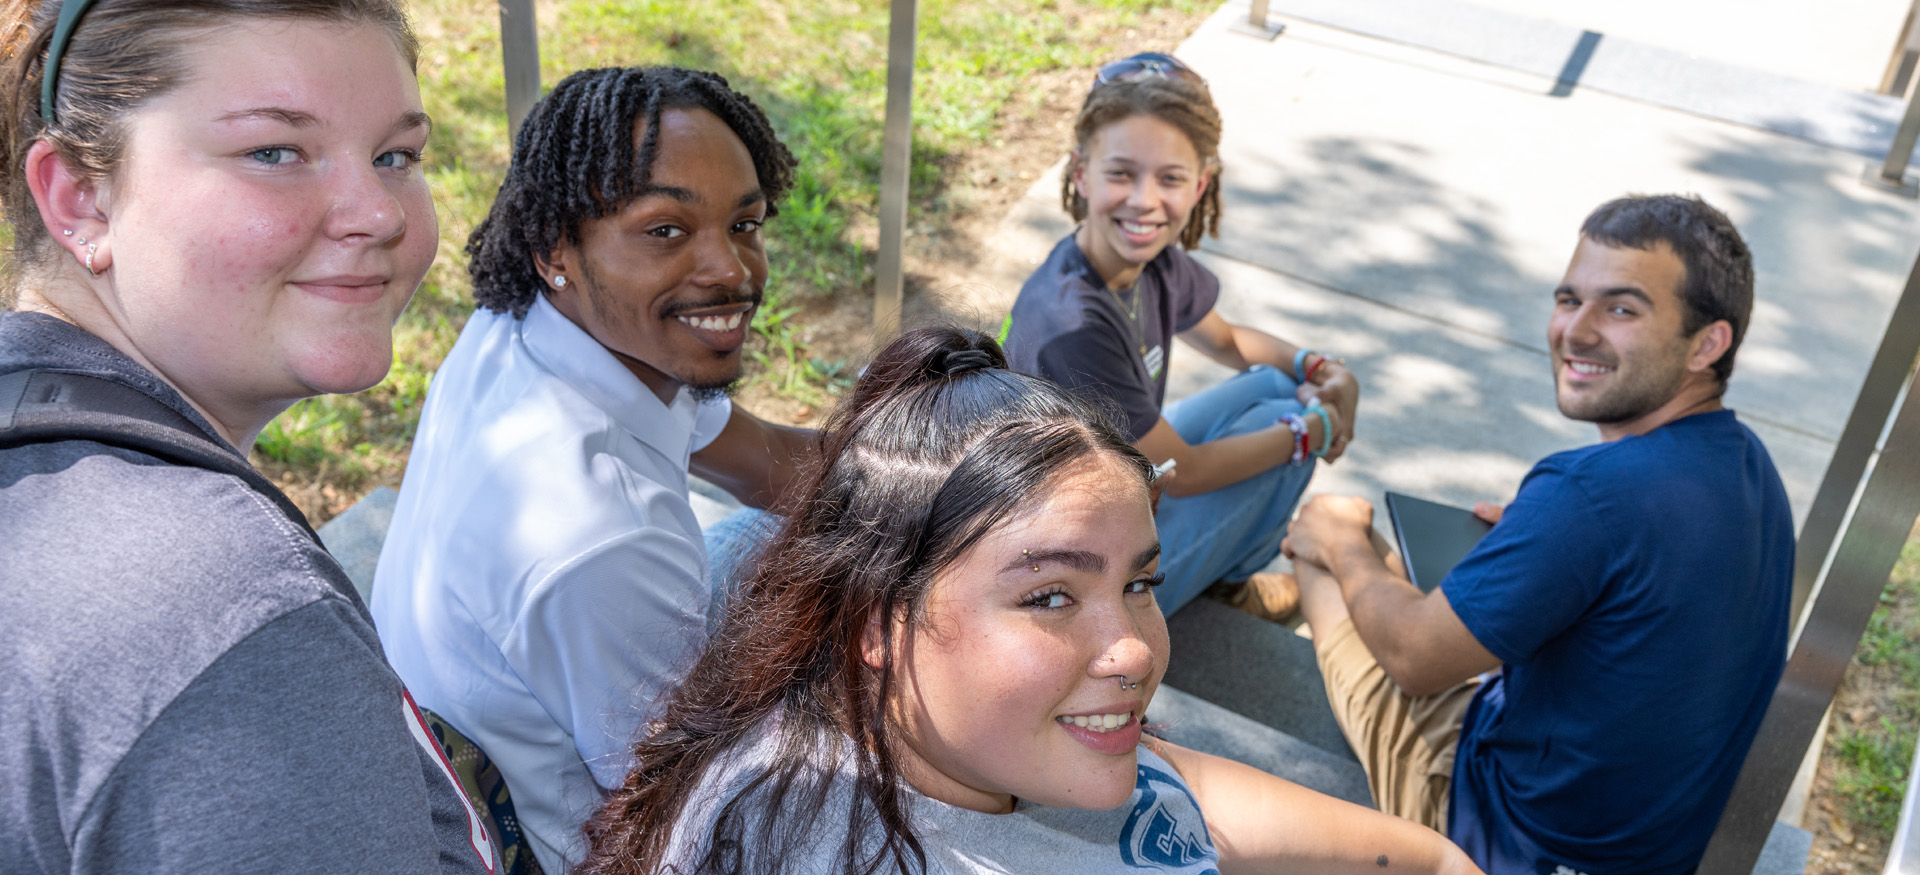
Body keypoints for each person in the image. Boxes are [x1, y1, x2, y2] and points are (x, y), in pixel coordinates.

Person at [575, 327, 1480, 875]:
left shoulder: (1004, 745)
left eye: (1139, 583)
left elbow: (1416, 852)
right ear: (875, 623)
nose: (1132, 650)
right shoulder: (817, 830)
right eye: (1050, 595)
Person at [0, 0, 498, 871]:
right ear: (80, 200)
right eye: (274, 152)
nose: (378, 213)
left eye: (396, 156)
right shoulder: (222, 616)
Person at [370, 65, 816, 874]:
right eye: (666, 231)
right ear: (555, 249)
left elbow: (775, 468)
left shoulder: (546, 328)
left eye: (745, 224)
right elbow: (683, 817)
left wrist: (969, 474)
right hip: (585, 845)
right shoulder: (600, 533)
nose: (731, 271)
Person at [1281, 195, 1791, 875]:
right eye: (1568, 298)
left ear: (1707, 343)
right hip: (1645, 840)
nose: (1575, 331)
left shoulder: (1590, 492)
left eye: (1621, 308)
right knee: (1416, 565)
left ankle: (1292, 575)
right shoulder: (1749, 463)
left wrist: (1341, 536)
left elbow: (1413, 658)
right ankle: (1279, 584)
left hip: (1508, 841)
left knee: (1330, 541)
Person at [1002, 52, 1359, 622]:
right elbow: (1184, 473)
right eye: (1121, 173)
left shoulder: (1153, 262)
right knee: (1287, 442)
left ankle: (1217, 575)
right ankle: (1204, 587)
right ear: (1079, 173)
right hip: (1057, 560)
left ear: (1200, 185)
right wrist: (1315, 430)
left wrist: (1319, 369)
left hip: (1116, 488)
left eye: (1169, 178)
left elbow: (1228, 341)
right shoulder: (1070, 323)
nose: (1144, 200)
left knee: (1276, 383)